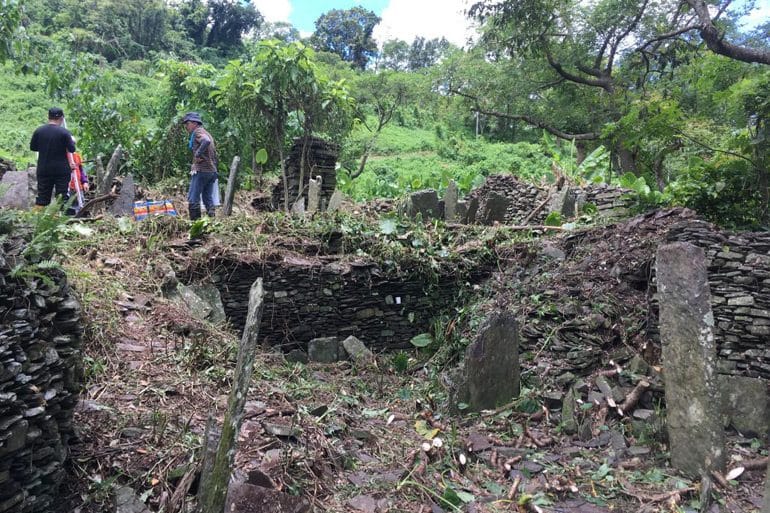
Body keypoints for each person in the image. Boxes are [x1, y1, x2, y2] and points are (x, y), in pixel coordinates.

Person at [29, 107, 77, 207]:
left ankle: (38, 220)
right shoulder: (64, 133)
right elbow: (72, 149)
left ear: (48, 117)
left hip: (44, 169)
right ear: (61, 118)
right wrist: (71, 142)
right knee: (62, 197)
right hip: (61, 170)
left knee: (42, 197)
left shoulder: (39, 131)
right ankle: (60, 220)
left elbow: (33, 147)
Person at [182, 111, 218, 219]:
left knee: (193, 198)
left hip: (201, 170)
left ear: (194, 123)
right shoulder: (207, 133)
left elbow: (205, 141)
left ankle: (196, 226)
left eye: (187, 124)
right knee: (207, 198)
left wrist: (197, 154)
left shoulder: (198, 132)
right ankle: (212, 222)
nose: (186, 127)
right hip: (211, 171)